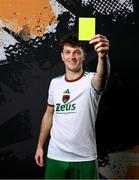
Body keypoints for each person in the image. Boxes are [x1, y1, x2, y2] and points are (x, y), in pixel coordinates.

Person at [34, 33, 110, 179]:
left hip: (84, 157)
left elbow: (102, 75)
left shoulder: (91, 81)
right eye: (67, 52)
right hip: (56, 155)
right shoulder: (55, 83)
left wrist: (103, 57)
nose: (72, 57)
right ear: (62, 56)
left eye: (77, 52)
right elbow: (49, 113)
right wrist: (39, 146)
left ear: (84, 55)